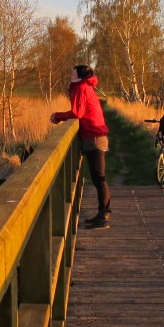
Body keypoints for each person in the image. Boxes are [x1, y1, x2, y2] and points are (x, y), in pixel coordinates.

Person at [50, 65, 111, 229]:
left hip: (95, 136)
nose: (70, 74)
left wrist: (58, 116)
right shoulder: (84, 87)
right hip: (95, 135)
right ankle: (102, 213)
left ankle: (104, 215)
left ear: (79, 75)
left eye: (73, 72)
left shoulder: (82, 88)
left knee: (99, 178)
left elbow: (77, 112)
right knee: (97, 177)